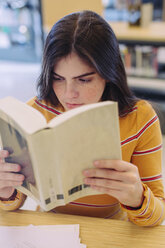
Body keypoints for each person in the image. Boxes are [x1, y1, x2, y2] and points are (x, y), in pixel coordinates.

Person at [0, 10, 164, 226]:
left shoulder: (140, 119)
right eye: (58, 78)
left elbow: (158, 214)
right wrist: (6, 190)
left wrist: (137, 198)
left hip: (111, 227)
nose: (69, 94)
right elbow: (14, 203)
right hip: (52, 228)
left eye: (84, 80)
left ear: (109, 73)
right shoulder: (34, 114)